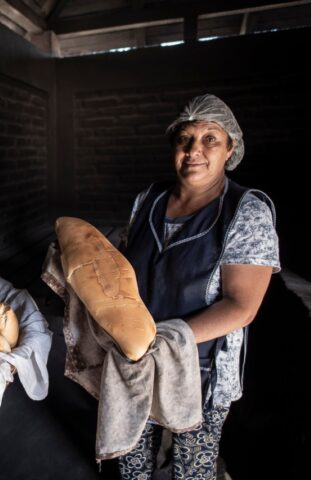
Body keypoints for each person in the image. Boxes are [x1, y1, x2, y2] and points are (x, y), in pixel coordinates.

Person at [115, 94, 280, 479]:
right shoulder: (148, 200)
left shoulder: (246, 212)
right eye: (184, 139)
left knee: (192, 468)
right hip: (136, 359)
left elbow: (241, 306)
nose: (193, 151)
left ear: (230, 149)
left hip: (202, 371)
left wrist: (164, 340)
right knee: (130, 459)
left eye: (210, 139)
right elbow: (126, 269)